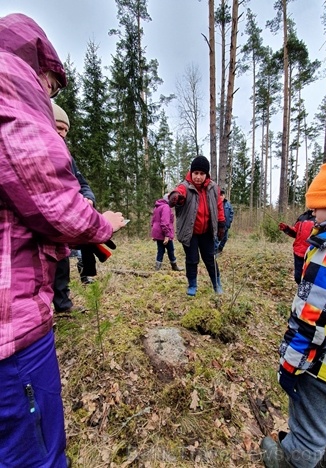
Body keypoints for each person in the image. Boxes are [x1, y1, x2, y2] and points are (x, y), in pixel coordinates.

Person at [0, 13, 126, 468]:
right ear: (41, 64)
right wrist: (101, 224)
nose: (49, 96)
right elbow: (56, 201)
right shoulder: (10, 77)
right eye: (51, 86)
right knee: (36, 451)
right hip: (12, 324)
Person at [261, 152, 326, 468]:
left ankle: (294, 461)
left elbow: (312, 321)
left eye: (317, 204)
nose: (312, 212)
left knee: (311, 428)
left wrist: (290, 365)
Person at [52, 103, 96, 314]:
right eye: (58, 127)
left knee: (61, 261)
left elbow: (83, 184)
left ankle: (63, 306)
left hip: (63, 221)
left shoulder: (68, 158)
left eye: (65, 130)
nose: (62, 133)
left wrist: (87, 199)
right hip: (44, 217)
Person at [168, 156, 226, 296]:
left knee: (210, 259)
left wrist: (221, 223)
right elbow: (177, 192)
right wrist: (176, 196)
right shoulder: (185, 186)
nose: (198, 177)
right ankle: (192, 284)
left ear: (206, 174)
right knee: (192, 260)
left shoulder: (213, 188)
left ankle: (216, 283)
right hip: (190, 232)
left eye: (202, 173)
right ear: (191, 173)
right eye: (196, 173)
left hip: (206, 232)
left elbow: (219, 206)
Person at [279, 209, 315, 284]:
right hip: (298, 252)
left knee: (309, 278)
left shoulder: (321, 217)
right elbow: (295, 232)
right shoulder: (302, 217)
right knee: (298, 277)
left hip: (312, 254)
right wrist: (286, 229)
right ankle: (300, 292)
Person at [151, 194, 183, 271]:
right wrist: (167, 235)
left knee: (160, 250)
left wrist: (154, 233)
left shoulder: (158, 206)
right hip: (164, 233)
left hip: (158, 232)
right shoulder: (166, 207)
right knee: (171, 249)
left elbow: (153, 221)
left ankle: (157, 268)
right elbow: (165, 222)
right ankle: (174, 266)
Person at [215, 189, 234, 255]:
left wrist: (230, 221)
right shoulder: (215, 203)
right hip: (218, 226)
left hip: (226, 225)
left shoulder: (228, 204)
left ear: (224, 196)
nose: (221, 197)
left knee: (225, 239)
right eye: (220, 195)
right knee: (216, 239)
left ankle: (220, 249)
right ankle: (215, 253)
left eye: (222, 195)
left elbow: (231, 213)